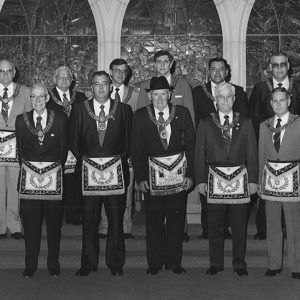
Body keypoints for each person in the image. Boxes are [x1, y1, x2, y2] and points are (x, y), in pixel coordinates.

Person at [68, 71, 132, 276]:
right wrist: (87, 161)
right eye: (97, 84)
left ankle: (115, 264)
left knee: (115, 220)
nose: (101, 88)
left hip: (115, 173)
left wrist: (117, 161)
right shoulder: (80, 109)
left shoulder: (123, 109)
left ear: (111, 86)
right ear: (91, 87)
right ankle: (88, 263)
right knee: (89, 220)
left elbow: (129, 140)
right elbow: (73, 139)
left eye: (105, 84)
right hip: (88, 175)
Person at [131, 76, 195, 275]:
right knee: (154, 222)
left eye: (163, 94)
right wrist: (140, 178)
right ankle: (155, 263)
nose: (159, 98)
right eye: (155, 94)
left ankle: (174, 262)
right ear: (150, 96)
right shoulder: (141, 116)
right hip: (152, 179)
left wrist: (191, 175)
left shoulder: (182, 113)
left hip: (178, 177)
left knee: (176, 222)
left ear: (170, 94)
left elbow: (192, 147)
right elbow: (136, 149)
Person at [195, 82, 258, 276]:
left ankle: (239, 263)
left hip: (240, 179)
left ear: (234, 99)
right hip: (214, 179)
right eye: (220, 97)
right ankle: (216, 263)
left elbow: (253, 153)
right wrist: (200, 180)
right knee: (215, 224)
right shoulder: (206, 123)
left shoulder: (245, 122)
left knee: (239, 225)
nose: (224, 101)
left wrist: (253, 180)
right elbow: (199, 153)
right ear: (215, 100)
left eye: (228, 97)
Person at [192, 57, 249, 239]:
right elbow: (195, 122)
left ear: (227, 71)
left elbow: (245, 122)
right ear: (208, 71)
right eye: (213, 69)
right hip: (210, 151)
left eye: (221, 69)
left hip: (232, 152)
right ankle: (208, 229)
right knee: (207, 196)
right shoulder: (198, 92)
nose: (217, 72)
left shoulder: (237, 92)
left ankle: (226, 228)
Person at [16, 83, 68, 277]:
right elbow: (21, 152)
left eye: (41, 97)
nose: (37, 101)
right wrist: (33, 172)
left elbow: (63, 151)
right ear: (30, 99)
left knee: (54, 225)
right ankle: (30, 264)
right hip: (29, 182)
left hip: (53, 181)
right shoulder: (22, 121)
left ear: (47, 98)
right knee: (31, 226)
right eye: (33, 97)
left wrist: (49, 172)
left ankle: (53, 263)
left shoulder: (60, 119)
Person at [249, 52, 300, 240]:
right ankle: (263, 230)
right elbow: (254, 118)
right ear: (270, 68)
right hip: (269, 147)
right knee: (268, 202)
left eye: (283, 65)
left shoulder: (298, 87)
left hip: (293, 154)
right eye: (275, 65)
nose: (279, 68)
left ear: (289, 67)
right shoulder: (260, 88)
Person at [258, 87, 300, 280]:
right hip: (270, 182)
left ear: (289, 101)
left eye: (282, 100)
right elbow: (261, 157)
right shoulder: (264, 125)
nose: (278, 104)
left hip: (293, 181)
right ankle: (274, 263)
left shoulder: (298, 122)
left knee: (294, 225)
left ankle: (296, 265)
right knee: (273, 224)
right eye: (274, 101)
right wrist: (260, 182)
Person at [99, 58, 139, 239]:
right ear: (110, 71)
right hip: (104, 153)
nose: (120, 74)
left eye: (124, 71)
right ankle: (105, 227)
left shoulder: (136, 95)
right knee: (103, 189)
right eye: (117, 70)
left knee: (127, 191)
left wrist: (133, 152)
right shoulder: (100, 92)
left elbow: (139, 126)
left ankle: (125, 227)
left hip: (126, 152)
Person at [48, 66, 86, 225]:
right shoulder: (47, 97)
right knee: (55, 181)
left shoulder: (81, 97)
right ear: (54, 79)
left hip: (76, 147)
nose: (64, 79)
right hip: (55, 145)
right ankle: (53, 218)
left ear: (72, 80)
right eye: (60, 76)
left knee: (74, 183)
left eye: (67, 77)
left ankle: (73, 216)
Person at [0, 59, 31, 239]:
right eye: (1, 71)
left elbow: (29, 121)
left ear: (14, 72)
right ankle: (0, 225)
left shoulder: (25, 92)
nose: (5, 75)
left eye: (8, 71)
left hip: (16, 148)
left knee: (15, 187)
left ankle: (14, 224)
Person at [137, 50, 195, 126]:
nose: (162, 65)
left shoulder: (183, 84)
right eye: (159, 62)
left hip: (177, 131)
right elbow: (140, 115)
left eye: (166, 62)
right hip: (152, 131)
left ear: (171, 64)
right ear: (155, 64)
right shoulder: (146, 85)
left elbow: (190, 113)